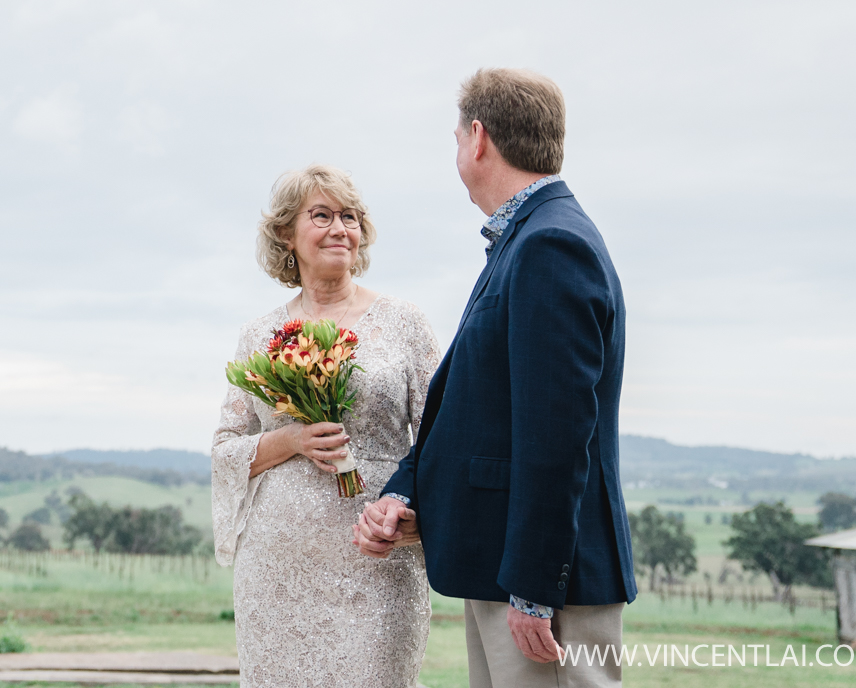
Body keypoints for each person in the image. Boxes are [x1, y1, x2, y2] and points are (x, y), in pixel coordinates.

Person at [354, 70, 636, 687]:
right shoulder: (526, 239)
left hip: (539, 584)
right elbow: (471, 409)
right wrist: (407, 494)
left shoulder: (551, 245)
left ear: (478, 138)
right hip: (505, 568)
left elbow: (557, 433)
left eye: (456, 136)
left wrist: (534, 586)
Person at [211, 165, 441, 688]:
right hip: (277, 566)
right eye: (322, 215)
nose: (341, 228)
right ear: (286, 236)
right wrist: (291, 438)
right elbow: (226, 449)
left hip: (376, 557)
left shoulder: (405, 323)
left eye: (350, 217)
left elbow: (440, 440)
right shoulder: (259, 334)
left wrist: (417, 518)